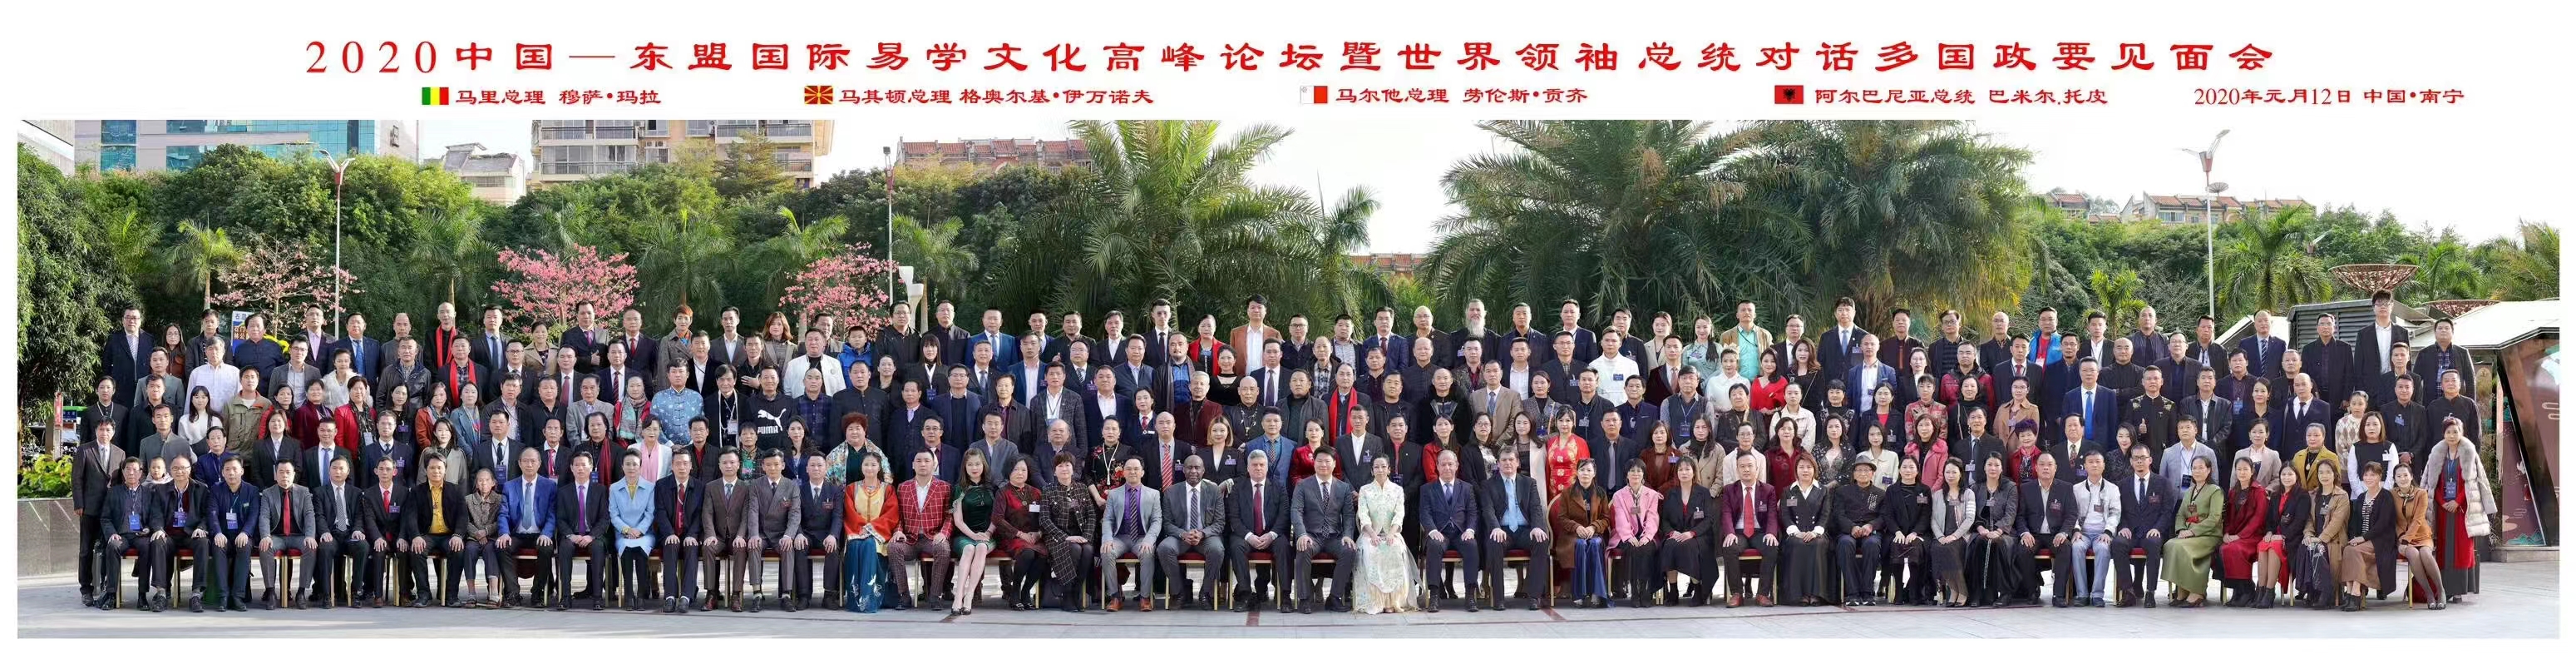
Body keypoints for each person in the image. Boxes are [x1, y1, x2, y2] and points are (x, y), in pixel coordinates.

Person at [2423, 418, 2488, 604]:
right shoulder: (2436, 454)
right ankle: (2444, 588)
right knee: (2444, 546)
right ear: (2443, 434)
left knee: (2461, 547)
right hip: (2443, 508)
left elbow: (2473, 483)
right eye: (2448, 432)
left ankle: (2459, 589)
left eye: (2455, 431)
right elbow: (2431, 483)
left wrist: (2458, 501)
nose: (2452, 435)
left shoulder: (2469, 452)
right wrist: (2442, 502)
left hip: (2462, 508)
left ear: (2462, 433)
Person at [1156, 453, 1227, 610]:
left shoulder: (1214, 491)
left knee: (1217, 549)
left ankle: (1205, 593)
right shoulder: (1171, 492)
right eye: (1189, 467)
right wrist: (1183, 534)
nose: (1193, 471)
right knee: (1164, 548)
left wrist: (1202, 534)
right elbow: (1167, 523)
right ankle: (1179, 593)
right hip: (1180, 536)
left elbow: (1220, 522)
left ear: (1203, 470)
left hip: (1206, 536)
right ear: (1183, 470)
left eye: (1197, 468)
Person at [887, 449, 955, 610]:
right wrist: (898, 530)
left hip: (933, 537)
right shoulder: (903, 487)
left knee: (944, 549)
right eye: (919, 461)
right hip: (910, 538)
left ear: (934, 465)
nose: (923, 464)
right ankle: (904, 596)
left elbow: (950, 516)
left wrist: (944, 533)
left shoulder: (945, 487)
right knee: (893, 547)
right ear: (913, 465)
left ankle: (935, 596)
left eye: (927, 461)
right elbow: (898, 515)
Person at [2110, 443, 2174, 607]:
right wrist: (2123, 526)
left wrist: (2157, 528)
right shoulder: (2122, 485)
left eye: (2143, 458)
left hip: (2152, 531)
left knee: (2153, 544)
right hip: (2130, 531)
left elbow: (2167, 512)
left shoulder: (2162, 483)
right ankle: (2128, 591)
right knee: (2118, 543)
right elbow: (2118, 511)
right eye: (2136, 458)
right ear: (2131, 462)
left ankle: (2150, 592)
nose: (2139, 461)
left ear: (2150, 460)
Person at [1290, 449, 1356, 613]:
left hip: (1335, 537)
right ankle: (1304, 599)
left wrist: (1347, 535)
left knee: (1349, 550)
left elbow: (1349, 515)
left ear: (1334, 464)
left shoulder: (1343, 488)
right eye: (1319, 461)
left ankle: (1334, 597)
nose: (1323, 465)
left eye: (1327, 461)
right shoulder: (1303, 485)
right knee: (1303, 548)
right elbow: (1296, 511)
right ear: (1314, 463)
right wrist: (1302, 534)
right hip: (1312, 536)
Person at [96, 457, 164, 611]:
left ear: (141, 473)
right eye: (128, 469)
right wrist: (112, 533)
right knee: (113, 546)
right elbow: (105, 518)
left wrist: (150, 528)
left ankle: (142, 595)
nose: (131, 473)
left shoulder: (149, 492)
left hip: (141, 535)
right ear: (123, 472)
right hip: (121, 535)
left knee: (147, 547)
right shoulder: (114, 492)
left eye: (135, 470)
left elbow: (156, 516)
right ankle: (111, 594)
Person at [1036, 454, 1100, 612]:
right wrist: (1065, 537)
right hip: (1056, 537)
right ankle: (1067, 594)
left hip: (1080, 534)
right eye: (1060, 466)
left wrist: (1086, 537)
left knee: (1088, 549)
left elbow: (1092, 515)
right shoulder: (1048, 490)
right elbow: (1044, 519)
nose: (1064, 469)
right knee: (1074, 548)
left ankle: (1077, 591)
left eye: (1067, 465)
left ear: (1073, 469)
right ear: (1054, 471)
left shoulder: (1082, 488)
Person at [1353, 456, 1417, 614]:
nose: (1380, 470)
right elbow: (1363, 514)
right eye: (1376, 467)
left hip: (1391, 532)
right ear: (1372, 471)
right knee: (1370, 550)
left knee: (1395, 548)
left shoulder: (1397, 490)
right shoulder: (1365, 490)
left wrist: (1392, 533)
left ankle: (1393, 601)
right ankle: (1376, 601)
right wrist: (1372, 534)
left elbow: (1399, 514)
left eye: (1383, 467)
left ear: (1389, 469)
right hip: (1370, 533)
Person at [1098, 457, 1163, 612]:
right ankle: (1115, 596)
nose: (1132, 472)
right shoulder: (1114, 494)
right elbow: (1108, 519)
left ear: (1142, 472)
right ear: (1123, 473)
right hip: (1120, 537)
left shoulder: (1153, 494)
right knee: (1107, 552)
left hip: (1142, 537)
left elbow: (1157, 520)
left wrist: (1149, 540)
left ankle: (1145, 597)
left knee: (1147, 552)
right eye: (1128, 469)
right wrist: (1107, 539)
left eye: (1136, 469)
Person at [2160, 454, 2224, 607]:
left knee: (2181, 547)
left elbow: (2214, 518)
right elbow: (2181, 514)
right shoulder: (2189, 490)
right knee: (2170, 544)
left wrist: (2193, 532)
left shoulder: (2215, 491)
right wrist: (2182, 529)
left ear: (2209, 470)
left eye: (2201, 468)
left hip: (2208, 534)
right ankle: (2182, 589)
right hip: (2189, 534)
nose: (2197, 471)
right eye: (2194, 468)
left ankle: (2196, 591)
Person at [1552, 458, 1612, 608]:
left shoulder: (1601, 493)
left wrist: (1593, 527)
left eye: (1589, 470)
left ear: (1594, 473)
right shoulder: (1567, 493)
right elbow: (1562, 518)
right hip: (1572, 536)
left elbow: (1606, 518)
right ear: (1577, 472)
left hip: (1594, 535)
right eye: (1582, 470)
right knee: (1580, 544)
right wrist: (1577, 527)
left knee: (1595, 544)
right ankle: (1578, 594)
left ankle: (1596, 593)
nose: (1585, 473)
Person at [2339, 462, 2396, 612]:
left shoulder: (2386, 497)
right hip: (2362, 540)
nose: (2369, 478)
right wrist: (2354, 537)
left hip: (2381, 540)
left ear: (2380, 476)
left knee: (2354, 551)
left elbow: (2383, 524)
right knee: (2348, 549)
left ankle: (2355, 593)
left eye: (2373, 475)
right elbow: (2354, 522)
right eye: (2366, 475)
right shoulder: (2361, 497)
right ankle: (2351, 592)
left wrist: (2363, 538)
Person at [945, 448, 995, 616]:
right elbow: (958, 521)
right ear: (965, 467)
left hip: (987, 534)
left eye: (978, 464)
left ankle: (970, 595)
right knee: (969, 549)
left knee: (981, 547)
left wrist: (988, 533)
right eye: (970, 464)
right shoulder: (959, 488)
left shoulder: (992, 488)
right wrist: (973, 535)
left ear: (984, 465)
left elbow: (997, 517)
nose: (974, 468)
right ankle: (959, 595)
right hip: (964, 535)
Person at [1777, 454, 1832, 607]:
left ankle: (1816, 594)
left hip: (1817, 533)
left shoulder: (1823, 490)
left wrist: (1815, 532)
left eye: (1809, 467)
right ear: (1796, 470)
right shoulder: (1788, 491)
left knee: (1816, 544)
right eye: (1801, 467)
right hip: (1796, 533)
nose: (1805, 470)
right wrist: (1796, 532)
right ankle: (1798, 594)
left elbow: (1826, 514)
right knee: (1797, 544)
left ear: (1815, 469)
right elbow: (1785, 515)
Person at [2390, 464, 2447, 609]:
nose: (2403, 479)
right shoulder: (2391, 495)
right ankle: (2429, 594)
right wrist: (2402, 538)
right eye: (2399, 476)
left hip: (2421, 534)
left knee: (2425, 553)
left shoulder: (2421, 493)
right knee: (2413, 554)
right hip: (2402, 536)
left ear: (2411, 476)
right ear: (2394, 479)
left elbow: (2418, 519)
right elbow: (2393, 520)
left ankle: (2441, 591)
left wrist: (2406, 540)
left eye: (2405, 475)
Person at [1608, 461, 1663, 607]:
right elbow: (1620, 519)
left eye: (1639, 471)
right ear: (1627, 474)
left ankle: (1645, 590)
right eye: (1632, 471)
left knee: (1646, 549)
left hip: (1647, 535)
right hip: (1625, 535)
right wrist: (1629, 537)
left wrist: (1647, 536)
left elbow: (1653, 518)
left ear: (1643, 474)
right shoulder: (1619, 495)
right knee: (1633, 549)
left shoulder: (1652, 495)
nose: (1636, 474)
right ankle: (1634, 591)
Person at [2298, 458, 2351, 610]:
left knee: (2316, 548)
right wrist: (2308, 535)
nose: (2324, 476)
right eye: (2321, 472)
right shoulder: (2313, 495)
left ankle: (2325, 592)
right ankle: (2312, 590)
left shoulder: (2342, 496)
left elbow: (2336, 523)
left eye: (2328, 472)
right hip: (2316, 537)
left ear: (2335, 474)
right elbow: (2309, 519)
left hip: (2334, 540)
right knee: (2304, 547)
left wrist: (2320, 539)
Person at [1881, 457, 1932, 605]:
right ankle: (1898, 591)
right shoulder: (1891, 490)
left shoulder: (1924, 490)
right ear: (1899, 470)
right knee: (1897, 545)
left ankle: (1914, 591)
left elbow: (1926, 515)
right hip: (1896, 532)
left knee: (1915, 547)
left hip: (1919, 533)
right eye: (1904, 467)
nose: (1908, 470)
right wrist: (1897, 531)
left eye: (1911, 467)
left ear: (1917, 470)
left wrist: (1915, 532)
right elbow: (1888, 514)